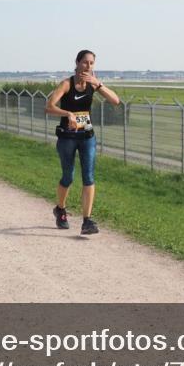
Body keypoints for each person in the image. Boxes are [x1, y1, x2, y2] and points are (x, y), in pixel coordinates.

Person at [44, 50, 120, 234]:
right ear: (77, 63)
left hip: (87, 137)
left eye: (92, 63)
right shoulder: (66, 84)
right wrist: (67, 113)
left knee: (89, 177)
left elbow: (116, 100)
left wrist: (98, 84)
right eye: (85, 62)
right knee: (68, 176)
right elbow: (49, 107)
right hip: (67, 137)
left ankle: (87, 221)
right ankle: (60, 209)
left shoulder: (93, 85)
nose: (88, 66)